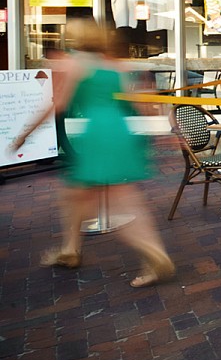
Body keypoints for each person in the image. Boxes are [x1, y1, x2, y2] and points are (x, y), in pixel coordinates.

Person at [12, 18, 174, 288]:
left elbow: (58, 104)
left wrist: (25, 133)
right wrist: (163, 133)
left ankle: (155, 254)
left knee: (115, 200)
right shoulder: (116, 65)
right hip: (119, 132)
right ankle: (70, 249)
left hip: (97, 134)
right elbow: (139, 104)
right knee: (81, 194)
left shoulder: (76, 63)